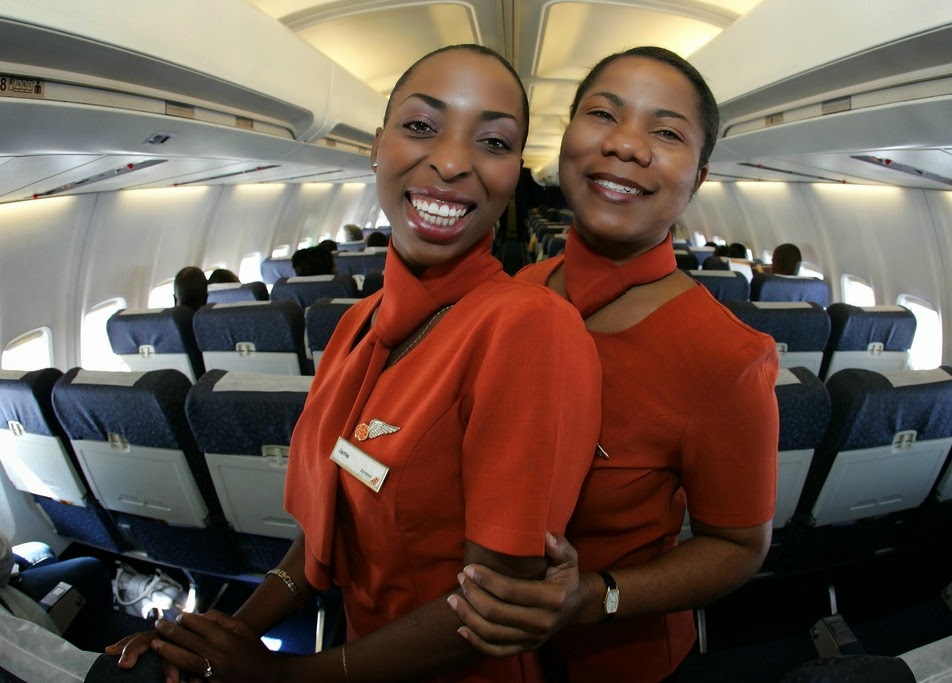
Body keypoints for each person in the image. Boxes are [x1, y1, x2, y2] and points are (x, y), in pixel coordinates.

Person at [107, 44, 602, 683]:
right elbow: (325, 536)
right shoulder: (355, 327)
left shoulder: (527, 328)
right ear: (375, 147)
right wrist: (217, 639)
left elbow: (494, 602)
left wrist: (287, 676)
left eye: (494, 142)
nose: (451, 161)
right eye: (421, 126)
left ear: (514, 175)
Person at [447, 46, 779, 682]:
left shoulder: (727, 357)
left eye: (665, 132)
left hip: (615, 661)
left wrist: (595, 597)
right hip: (469, 646)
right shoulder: (522, 289)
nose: (626, 146)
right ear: (567, 137)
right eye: (603, 114)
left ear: (700, 177)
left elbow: (739, 547)